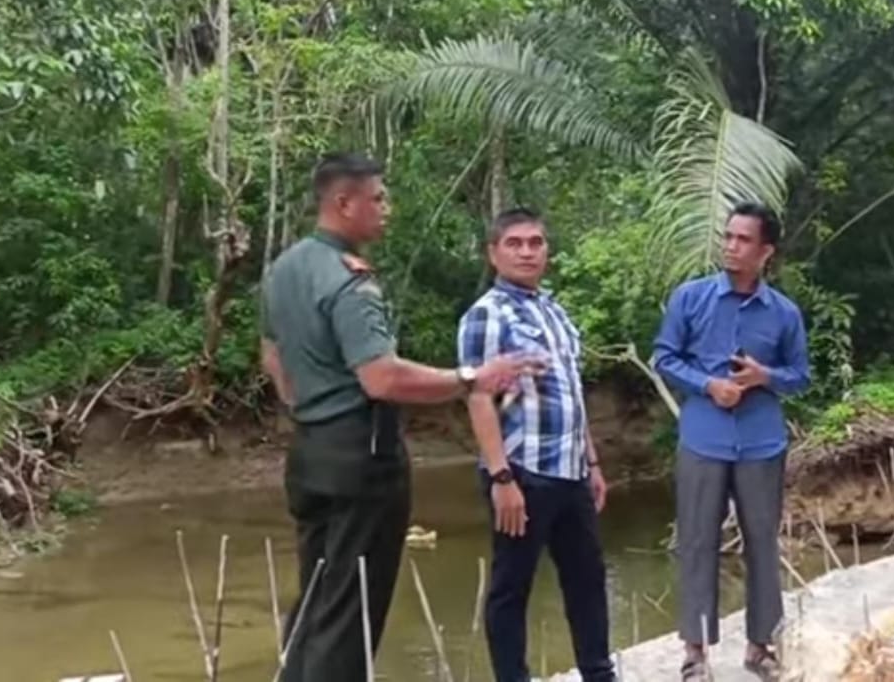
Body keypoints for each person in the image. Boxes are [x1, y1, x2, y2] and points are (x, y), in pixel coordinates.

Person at [261, 153, 542, 681]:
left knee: (318, 596)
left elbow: (273, 358)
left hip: (309, 451)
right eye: (378, 198)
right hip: (362, 459)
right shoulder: (348, 279)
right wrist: (471, 379)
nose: (387, 207)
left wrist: (311, 409)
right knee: (351, 613)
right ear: (343, 203)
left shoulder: (285, 268)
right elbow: (382, 378)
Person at [652, 204, 809, 681]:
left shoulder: (784, 313)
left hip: (762, 442)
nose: (732, 246)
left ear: (766, 252)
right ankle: (695, 653)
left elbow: (800, 377)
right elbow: (664, 357)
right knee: (698, 541)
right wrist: (708, 385)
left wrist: (765, 376)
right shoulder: (690, 298)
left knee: (762, 541)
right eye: (729, 236)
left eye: (744, 239)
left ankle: (760, 647)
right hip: (703, 438)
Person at [459, 208, 615, 682]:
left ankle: (598, 673)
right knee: (512, 587)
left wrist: (592, 462)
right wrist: (501, 477)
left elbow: (571, 392)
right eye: (515, 243)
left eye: (535, 242)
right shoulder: (487, 314)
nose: (527, 252)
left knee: (587, 578)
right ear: (494, 253)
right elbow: (479, 398)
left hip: (570, 470)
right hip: (522, 472)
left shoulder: (553, 311)